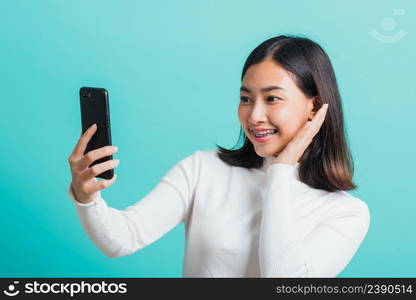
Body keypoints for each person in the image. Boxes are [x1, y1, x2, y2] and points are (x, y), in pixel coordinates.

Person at [67, 35, 370, 277]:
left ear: (315, 109)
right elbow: (122, 239)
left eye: (272, 98)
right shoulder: (203, 169)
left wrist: (281, 171)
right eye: (245, 98)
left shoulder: (346, 213)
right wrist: (86, 198)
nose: (254, 115)